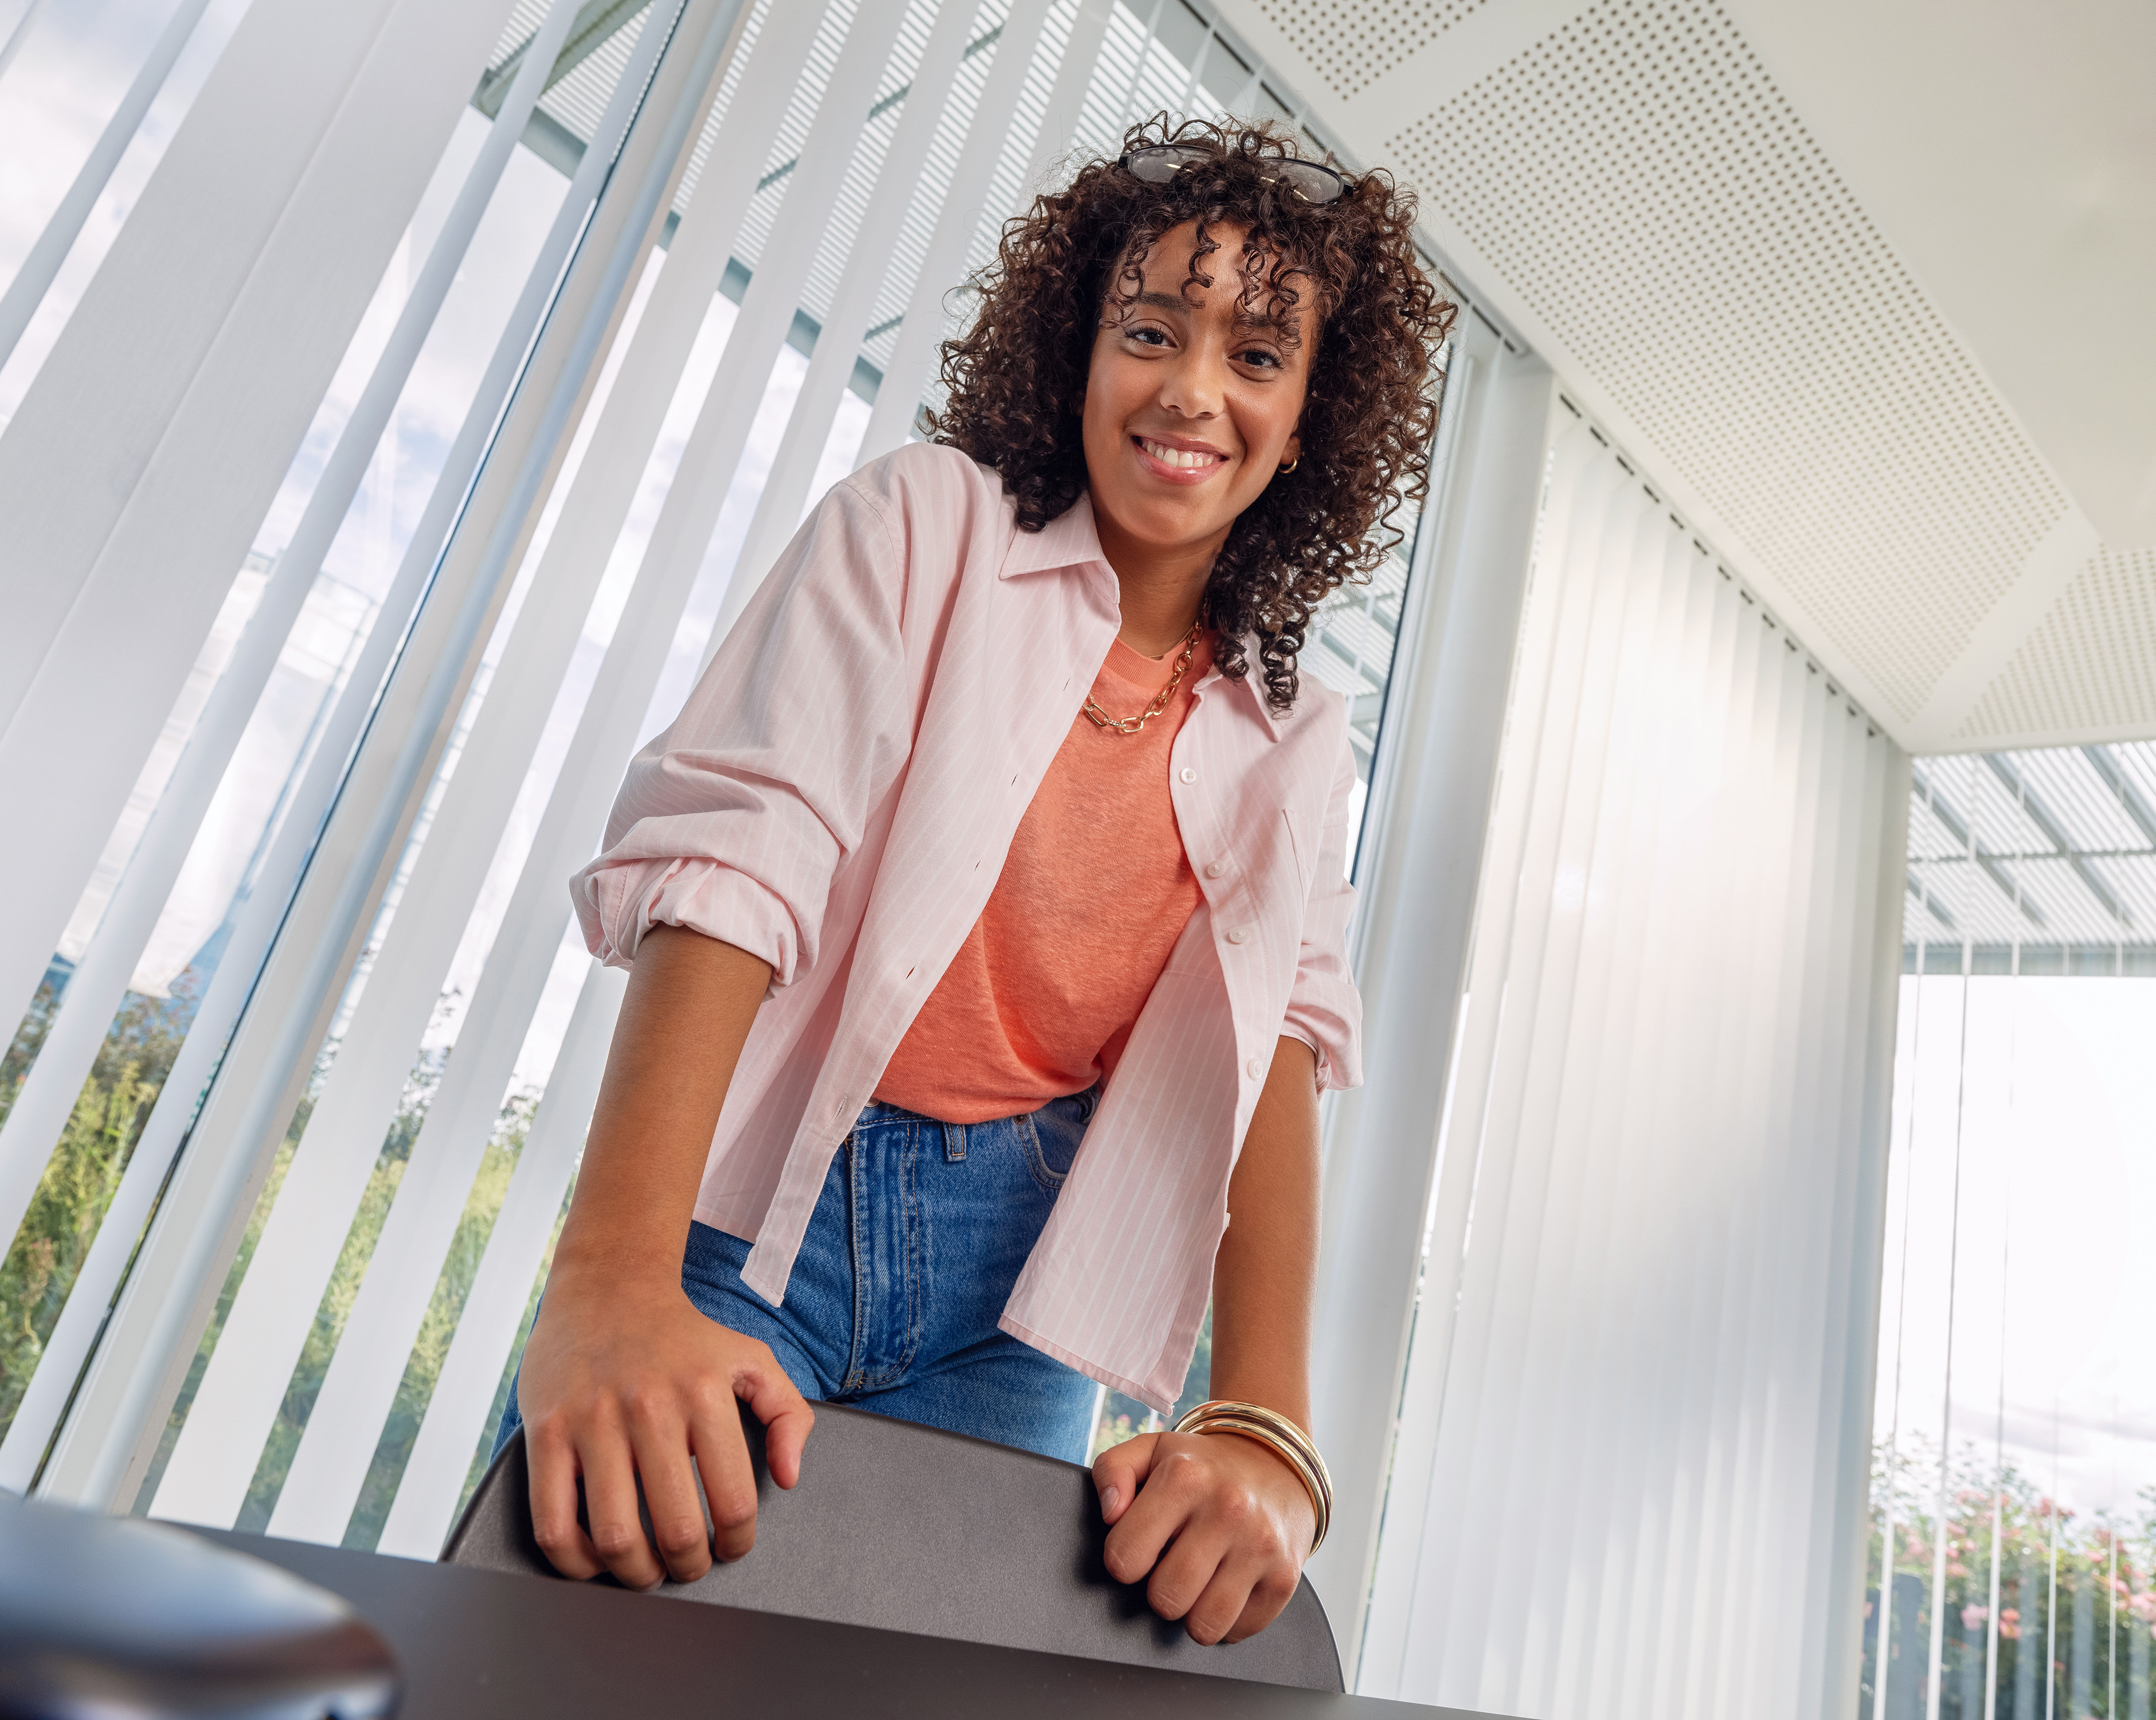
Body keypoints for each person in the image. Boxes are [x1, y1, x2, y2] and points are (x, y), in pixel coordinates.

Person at [496, 116, 1449, 1646]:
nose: (1194, 390)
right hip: (756, 1223)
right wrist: (611, 1283)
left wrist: (1265, 1424)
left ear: (1310, 419)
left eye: (1259, 356)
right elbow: (741, 857)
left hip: (1022, 1293)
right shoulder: (921, 524)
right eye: (1151, 332)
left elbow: (1281, 1042)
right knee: (598, 1644)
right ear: (1078, 353)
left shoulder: (1292, 724)